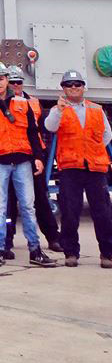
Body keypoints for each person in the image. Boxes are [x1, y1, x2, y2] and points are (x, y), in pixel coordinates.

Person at [0, 63, 56, 267]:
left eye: (1, 79)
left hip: (22, 162)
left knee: (28, 207)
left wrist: (38, 157)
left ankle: (35, 250)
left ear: (7, 80)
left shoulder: (22, 103)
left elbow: (33, 133)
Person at [45, 69, 112, 268]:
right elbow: (50, 127)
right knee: (69, 212)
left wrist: (92, 150)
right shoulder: (58, 110)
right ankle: (71, 253)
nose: (73, 88)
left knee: (103, 213)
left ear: (83, 87)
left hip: (95, 168)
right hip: (70, 168)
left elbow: (107, 135)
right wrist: (58, 110)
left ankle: (107, 254)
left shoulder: (97, 109)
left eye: (77, 84)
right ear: (63, 89)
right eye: (69, 85)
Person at [6, 66, 61, 252]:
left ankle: (53, 237)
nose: (15, 86)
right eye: (11, 82)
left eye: (18, 82)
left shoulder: (34, 102)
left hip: (32, 156)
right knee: (8, 201)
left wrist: (40, 156)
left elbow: (42, 130)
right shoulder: (0, 102)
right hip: (10, 155)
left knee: (40, 198)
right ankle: (7, 241)